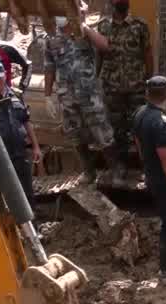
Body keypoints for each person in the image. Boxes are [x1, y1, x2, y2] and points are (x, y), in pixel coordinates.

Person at [44, 11, 119, 181]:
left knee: (102, 132)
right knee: (75, 134)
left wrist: (84, 27)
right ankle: (88, 171)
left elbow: (105, 45)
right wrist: (47, 95)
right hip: (67, 96)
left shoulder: (83, 32)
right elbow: (49, 67)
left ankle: (115, 170)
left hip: (89, 93)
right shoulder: (50, 38)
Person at [133, 76, 166, 280]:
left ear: (147, 94)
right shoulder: (162, 124)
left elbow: (137, 141)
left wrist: (146, 165)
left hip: (153, 175)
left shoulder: (140, 114)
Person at [96, 0, 152, 178]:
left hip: (137, 87)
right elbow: (99, 55)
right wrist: (96, 81)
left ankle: (147, 167)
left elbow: (147, 53)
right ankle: (120, 167)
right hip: (112, 88)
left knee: (141, 128)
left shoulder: (139, 25)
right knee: (117, 130)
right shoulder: (103, 26)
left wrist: (149, 81)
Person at [0, 61, 41, 204]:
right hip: (1, 156)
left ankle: (33, 222)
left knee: (27, 191)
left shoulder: (15, 94)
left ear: (5, 76)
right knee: (7, 195)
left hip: (21, 153)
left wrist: (36, 147)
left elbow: (26, 121)